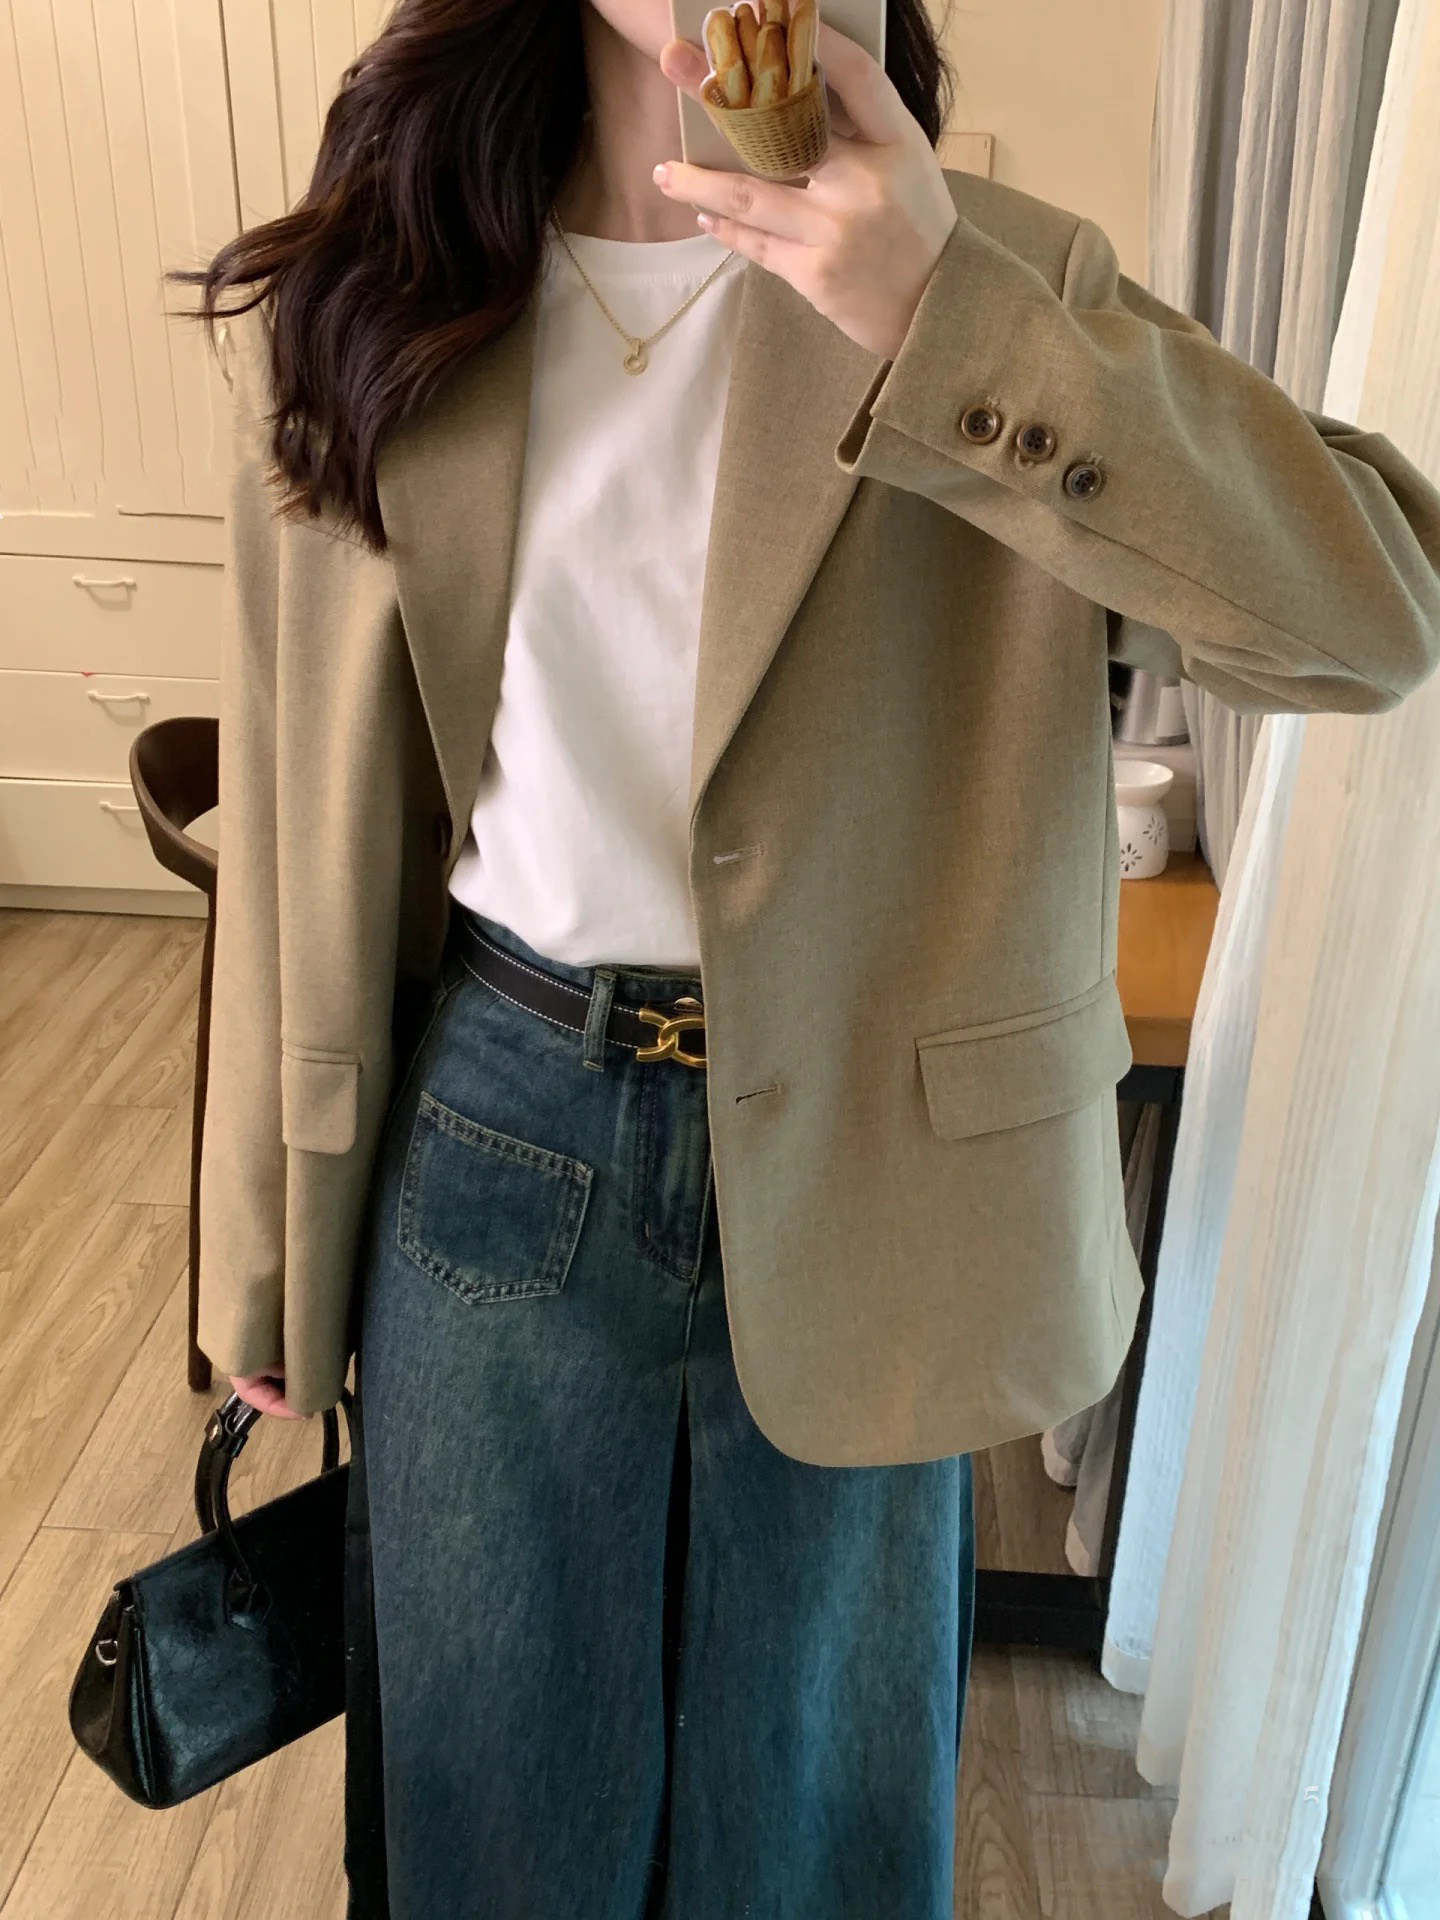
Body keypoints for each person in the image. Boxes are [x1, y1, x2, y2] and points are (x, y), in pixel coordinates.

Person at [172, 0, 1440, 1914]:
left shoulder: (993, 273)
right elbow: (292, 794)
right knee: (497, 1828)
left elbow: (1374, 615)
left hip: (876, 1172)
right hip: (504, 1132)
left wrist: (950, 317)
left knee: (820, 1842)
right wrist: (263, 1247)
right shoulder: (389, 268)